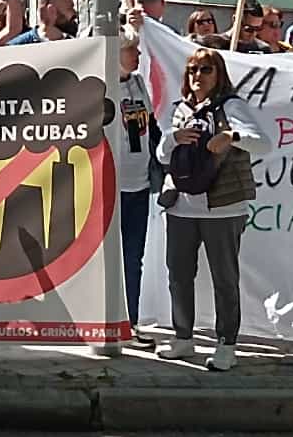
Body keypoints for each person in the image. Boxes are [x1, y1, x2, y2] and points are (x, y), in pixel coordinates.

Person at [156, 48, 270, 371]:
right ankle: (183, 337)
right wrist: (173, 138)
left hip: (223, 207)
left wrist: (231, 137)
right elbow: (163, 155)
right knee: (178, 274)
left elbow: (263, 142)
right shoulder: (179, 109)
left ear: (218, 74)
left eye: (205, 69)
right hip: (181, 206)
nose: (197, 76)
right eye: (192, 70)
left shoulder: (232, 106)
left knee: (224, 278)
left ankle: (226, 343)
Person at [116, 27, 157, 349]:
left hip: (138, 183)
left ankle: (129, 322)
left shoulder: (138, 83)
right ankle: (106, 320)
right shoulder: (100, 87)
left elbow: (150, 126)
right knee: (109, 258)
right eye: (133, 51)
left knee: (134, 256)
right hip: (109, 186)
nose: (138, 56)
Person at [8, 0, 78, 45]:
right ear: (51, 11)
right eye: (69, 8)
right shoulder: (18, 48)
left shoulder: (74, 46)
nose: (74, 13)